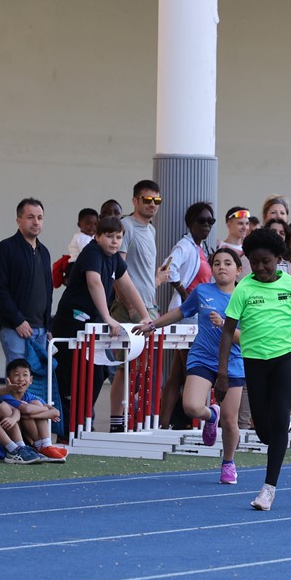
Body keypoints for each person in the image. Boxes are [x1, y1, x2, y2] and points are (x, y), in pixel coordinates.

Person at [216, 228, 291, 510]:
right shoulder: (244, 288)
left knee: (278, 421)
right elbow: (228, 331)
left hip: (284, 360)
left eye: (266, 261)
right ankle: (278, 423)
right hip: (254, 363)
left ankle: (268, 489)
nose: (261, 267)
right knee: (265, 432)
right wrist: (222, 373)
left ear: (278, 258)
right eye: (254, 262)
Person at [136, 248, 246, 484]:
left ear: (238, 270)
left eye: (228, 263)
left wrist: (225, 324)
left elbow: (246, 338)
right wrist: (153, 325)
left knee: (230, 421)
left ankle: (228, 463)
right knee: (192, 407)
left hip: (233, 362)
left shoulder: (244, 297)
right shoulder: (202, 291)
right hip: (202, 357)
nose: (222, 267)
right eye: (217, 263)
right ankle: (211, 415)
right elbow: (180, 312)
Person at [52, 216, 146, 427]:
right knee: (70, 377)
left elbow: (128, 286)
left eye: (118, 237)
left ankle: (82, 424)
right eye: (109, 236)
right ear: (97, 236)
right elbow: (94, 282)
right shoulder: (92, 252)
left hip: (93, 325)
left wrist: (145, 315)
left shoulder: (114, 258)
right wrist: (107, 317)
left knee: (95, 376)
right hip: (72, 322)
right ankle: (67, 430)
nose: (114, 241)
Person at [107, 180, 168, 430]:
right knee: (127, 367)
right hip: (131, 309)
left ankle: (137, 420)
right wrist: (129, 305)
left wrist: (157, 280)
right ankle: (118, 420)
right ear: (135, 201)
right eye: (147, 200)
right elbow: (117, 271)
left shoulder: (151, 230)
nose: (152, 205)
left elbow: (141, 277)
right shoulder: (127, 227)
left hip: (148, 307)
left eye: (157, 200)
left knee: (145, 368)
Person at [159, 202, 215, 428]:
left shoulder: (202, 248)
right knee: (191, 370)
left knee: (177, 373)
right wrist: (185, 294)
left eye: (210, 221)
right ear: (190, 223)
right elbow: (168, 268)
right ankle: (187, 421)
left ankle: (166, 423)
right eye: (201, 221)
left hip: (198, 316)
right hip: (188, 315)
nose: (206, 225)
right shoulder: (184, 245)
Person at [0, 198, 53, 364]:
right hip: (14, 328)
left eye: (39, 217)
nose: (36, 222)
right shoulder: (5, 249)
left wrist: (48, 326)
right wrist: (18, 321)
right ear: (18, 220)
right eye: (30, 217)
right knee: (18, 375)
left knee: (37, 377)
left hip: (41, 330)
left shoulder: (44, 252)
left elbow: (48, 290)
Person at [0, 358, 68, 460]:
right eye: (17, 375)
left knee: (36, 404)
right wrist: (45, 410)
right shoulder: (5, 396)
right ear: (8, 380)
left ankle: (46, 445)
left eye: (25, 375)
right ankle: (40, 446)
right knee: (35, 406)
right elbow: (26, 409)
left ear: (30, 380)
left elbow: (56, 412)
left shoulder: (30, 397)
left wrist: (32, 414)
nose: (21, 379)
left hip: (29, 437)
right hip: (15, 439)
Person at [218, 205, 251, 279]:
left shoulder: (250, 249)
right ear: (229, 224)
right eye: (240, 223)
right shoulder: (218, 246)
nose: (244, 227)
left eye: (247, 223)